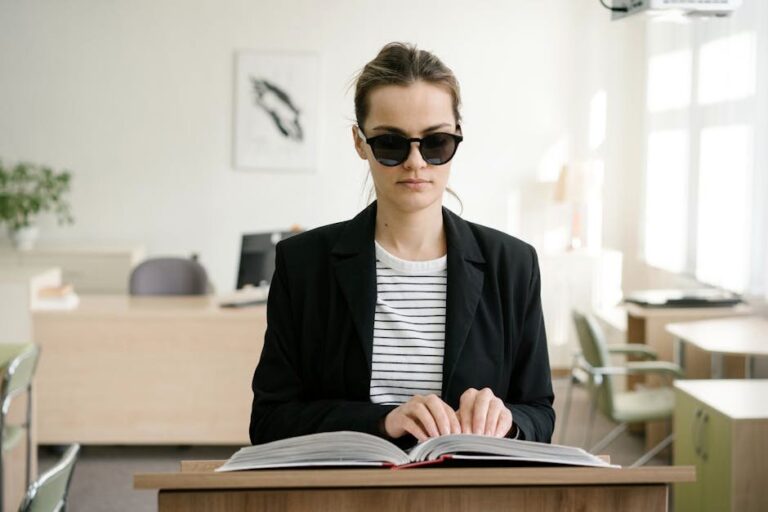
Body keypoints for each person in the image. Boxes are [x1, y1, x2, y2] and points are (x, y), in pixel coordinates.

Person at [249, 42, 554, 446]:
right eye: (391, 143)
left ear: (457, 138)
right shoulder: (304, 263)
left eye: (435, 142)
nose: (415, 162)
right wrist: (381, 422)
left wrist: (507, 421)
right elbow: (270, 420)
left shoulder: (512, 265)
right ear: (360, 143)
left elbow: (539, 412)